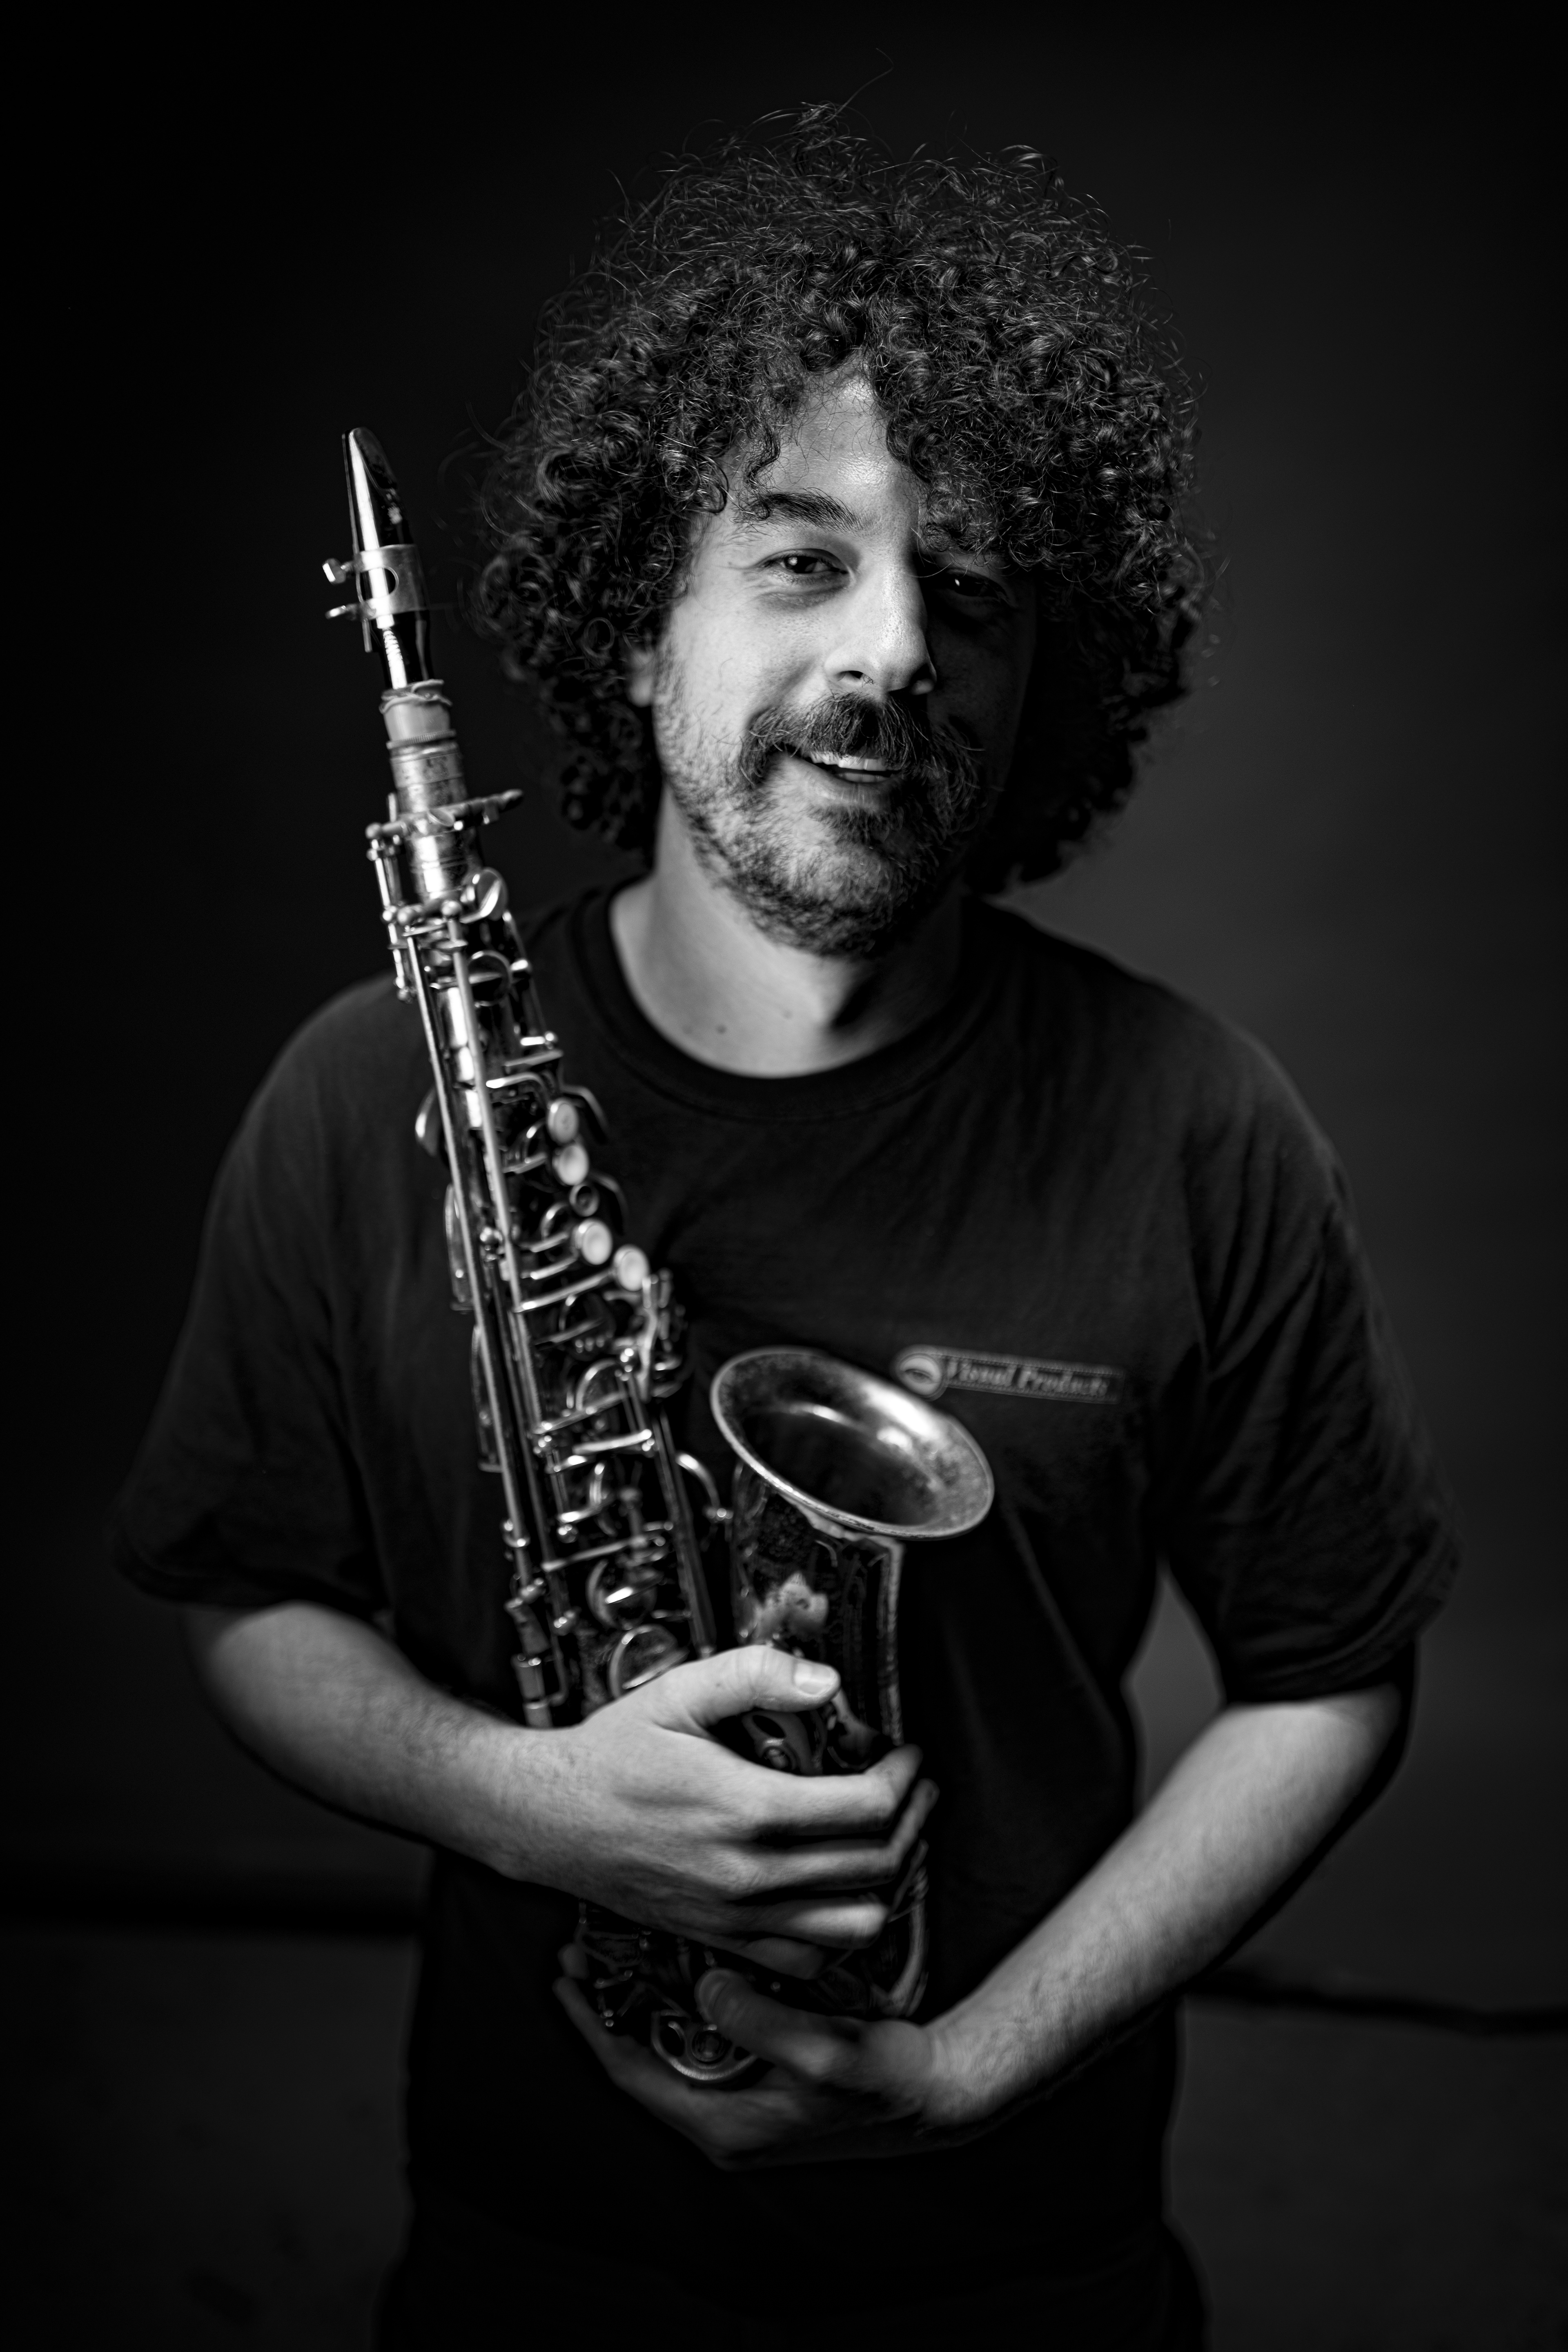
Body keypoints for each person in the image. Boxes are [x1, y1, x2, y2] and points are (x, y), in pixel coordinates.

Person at [113, 113, 1457, 2350]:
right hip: (537, 2249)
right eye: (804, 559)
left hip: (1027, 2266)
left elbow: (1329, 1682)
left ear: (1043, 686)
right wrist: (528, 1805)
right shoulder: (365, 1093)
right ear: (640, 627)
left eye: (978, 594)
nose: (900, 650)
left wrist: (970, 2071)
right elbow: (249, 1599)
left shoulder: (1200, 1120)